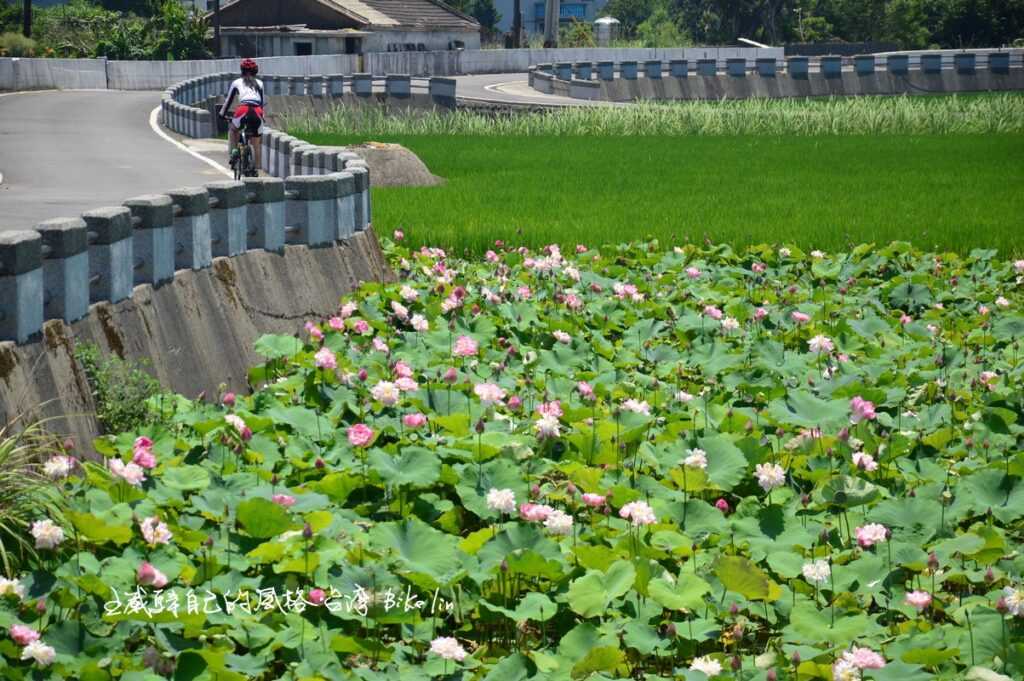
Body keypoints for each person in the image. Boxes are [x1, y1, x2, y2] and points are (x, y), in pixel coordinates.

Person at [219, 58, 265, 176]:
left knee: (233, 130)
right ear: (255, 71)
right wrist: (262, 116)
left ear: (242, 71)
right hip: (257, 111)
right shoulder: (260, 83)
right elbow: (261, 102)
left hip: (243, 110)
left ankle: (234, 153)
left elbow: (228, 101)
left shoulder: (236, 82)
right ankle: (257, 168)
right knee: (256, 141)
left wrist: (222, 114)